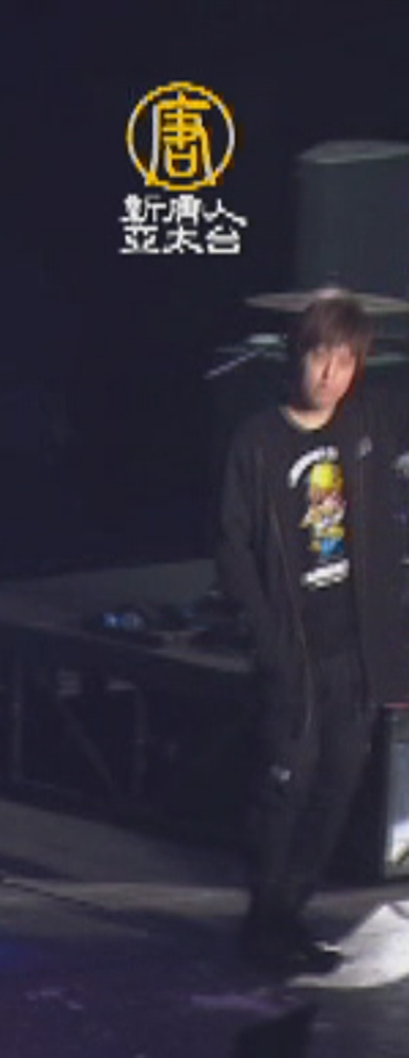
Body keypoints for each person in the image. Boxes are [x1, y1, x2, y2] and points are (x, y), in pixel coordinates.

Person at [216, 291, 408, 974]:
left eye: (346, 361)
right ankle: (262, 922)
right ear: (298, 356)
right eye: (322, 356)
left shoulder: (366, 425)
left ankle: (290, 916)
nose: (331, 375)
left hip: (355, 652)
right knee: (285, 789)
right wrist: (267, 639)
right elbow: (233, 548)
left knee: (337, 788)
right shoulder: (259, 442)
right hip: (293, 652)